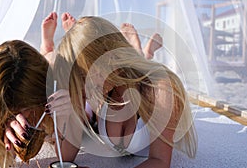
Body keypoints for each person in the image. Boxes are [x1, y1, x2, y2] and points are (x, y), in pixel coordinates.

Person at [50, 16, 197, 167]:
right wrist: (68, 113)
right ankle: (141, 51)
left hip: (140, 82)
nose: (81, 87)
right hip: (125, 75)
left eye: (82, 75)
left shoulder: (160, 90)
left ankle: (143, 51)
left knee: (137, 69)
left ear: (107, 58)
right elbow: (65, 158)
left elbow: (160, 161)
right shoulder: (96, 88)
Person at [0, 40, 54, 167]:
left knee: (53, 57)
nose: (22, 115)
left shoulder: (56, 89)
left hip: (57, 69)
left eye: (26, 107)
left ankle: (47, 48)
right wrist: (1, 131)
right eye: (10, 112)